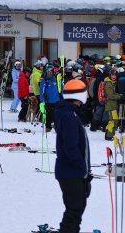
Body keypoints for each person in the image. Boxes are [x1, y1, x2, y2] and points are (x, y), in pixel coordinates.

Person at [54, 79, 92, 233]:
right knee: (74, 210)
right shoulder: (70, 116)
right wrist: (82, 170)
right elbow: (71, 147)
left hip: (72, 171)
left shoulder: (69, 114)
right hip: (71, 172)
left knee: (75, 209)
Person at [40, 66, 61, 132]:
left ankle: (57, 126)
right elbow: (41, 90)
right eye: (48, 72)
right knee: (48, 114)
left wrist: (62, 95)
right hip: (48, 100)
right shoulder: (44, 80)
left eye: (51, 72)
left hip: (56, 99)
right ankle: (48, 126)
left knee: (57, 114)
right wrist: (42, 99)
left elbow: (61, 88)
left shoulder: (56, 79)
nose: (50, 74)